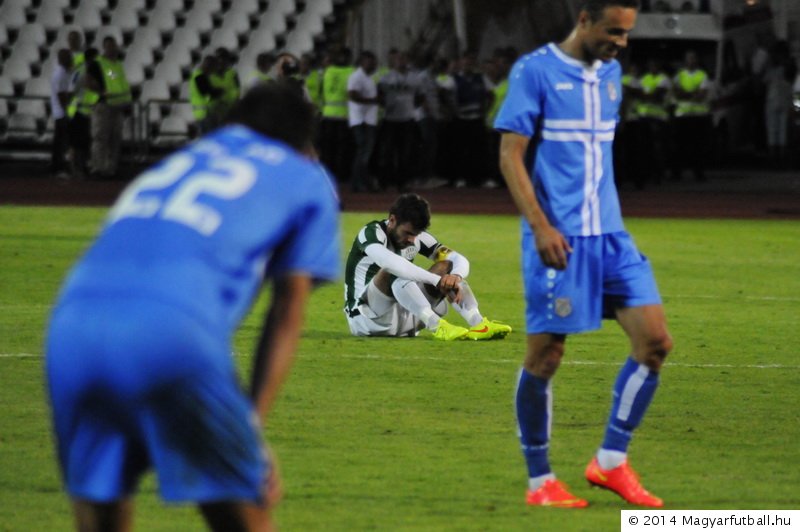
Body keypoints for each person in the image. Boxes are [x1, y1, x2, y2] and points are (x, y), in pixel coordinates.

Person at [45, 81, 341, 531]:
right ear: (304, 141)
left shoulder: (183, 159)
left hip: (70, 326)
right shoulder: (304, 174)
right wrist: (251, 426)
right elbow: (287, 311)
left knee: (100, 517)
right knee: (239, 513)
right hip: (171, 332)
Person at [495, 0, 672, 508]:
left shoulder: (611, 74)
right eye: (612, 32)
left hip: (612, 238)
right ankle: (540, 483)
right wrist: (541, 226)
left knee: (655, 343)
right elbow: (510, 155)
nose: (620, 43)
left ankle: (611, 462)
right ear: (584, 21)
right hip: (560, 239)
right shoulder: (535, 71)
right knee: (546, 356)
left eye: (626, 34)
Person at [343, 193, 511, 341]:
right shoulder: (370, 234)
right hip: (367, 319)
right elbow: (391, 263)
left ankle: (478, 324)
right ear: (392, 220)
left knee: (446, 266)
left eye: (415, 235)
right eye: (408, 233)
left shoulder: (417, 237)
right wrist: (437, 281)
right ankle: (437, 326)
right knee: (396, 268)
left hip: (404, 319)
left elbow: (458, 259)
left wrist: (456, 276)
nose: (412, 240)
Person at [89, 36, 131, 179]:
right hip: (104, 105)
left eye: (114, 46)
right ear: (104, 47)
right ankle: (98, 168)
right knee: (101, 137)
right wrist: (101, 93)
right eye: (109, 46)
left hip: (118, 106)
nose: (112, 49)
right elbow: (89, 81)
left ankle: (110, 169)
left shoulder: (117, 64)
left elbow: (118, 82)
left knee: (115, 139)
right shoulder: (98, 64)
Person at [671, 50, 711, 182]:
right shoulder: (679, 75)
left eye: (693, 58)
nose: (691, 61)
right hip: (682, 115)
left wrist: (686, 93)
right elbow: (676, 93)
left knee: (698, 146)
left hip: (698, 115)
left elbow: (701, 95)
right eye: (689, 58)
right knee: (679, 145)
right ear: (685, 60)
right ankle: (677, 173)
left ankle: (698, 173)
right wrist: (693, 93)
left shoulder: (702, 75)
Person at [347, 50, 380, 192]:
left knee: (365, 153)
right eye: (370, 61)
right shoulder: (356, 77)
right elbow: (352, 95)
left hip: (368, 119)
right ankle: (361, 182)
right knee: (363, 151)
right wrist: (372, 100)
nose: (373, 64)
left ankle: (358, 183)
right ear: (363, 61)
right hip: (360, 119)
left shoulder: (368, 78)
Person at [50, 48, 74, 179]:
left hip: (60, 112)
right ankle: (58, 167)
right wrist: (67, 111)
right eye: (68, 56)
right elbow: (61, 95)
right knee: (61, 142)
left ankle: (57, 167)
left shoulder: (64, 73)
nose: (71, 59)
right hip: (61, 113)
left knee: (59, 141)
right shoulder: (60, 74)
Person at [189, 55, 224, 135]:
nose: (212, 72)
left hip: (203, 114)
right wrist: (219, 92)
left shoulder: (199, 75)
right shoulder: (199, 76)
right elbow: (206, 92)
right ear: (209, 65)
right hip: (204, 115)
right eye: (213, 69)